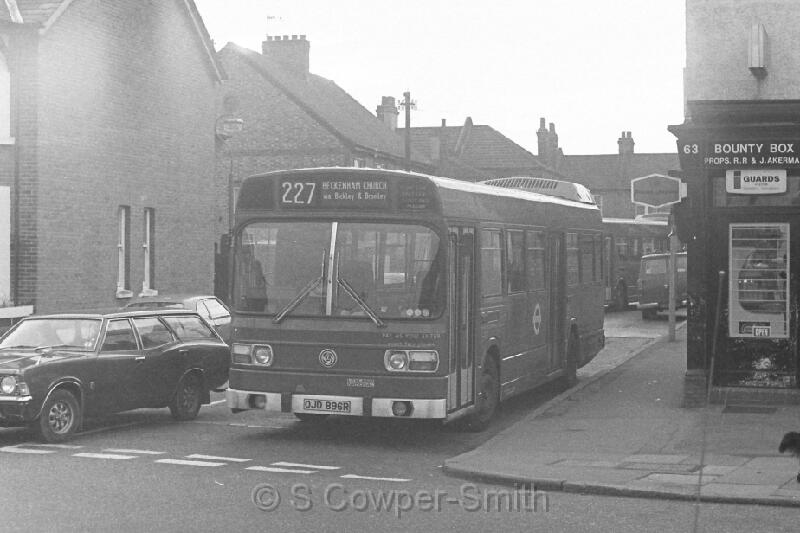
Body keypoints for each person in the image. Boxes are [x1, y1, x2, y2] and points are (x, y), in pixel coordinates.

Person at [237, 243, 268, 311]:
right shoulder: (238, 266)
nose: (245, 256)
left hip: (256, 300)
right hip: (245, 300)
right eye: (243, 253)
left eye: (247, 253)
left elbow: (260, 283)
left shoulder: (256, 264)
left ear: (251, 254)